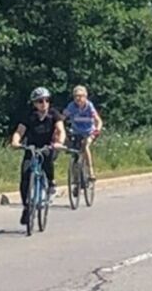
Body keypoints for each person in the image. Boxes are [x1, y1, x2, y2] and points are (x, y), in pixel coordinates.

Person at [10, 86, 66, 227]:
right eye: (40, 101)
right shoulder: (29, 116)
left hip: (47, 145)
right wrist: (15, 141)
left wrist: (59, 142)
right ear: (34, 103)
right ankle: (27, 207)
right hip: (31, 147)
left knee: (47, 161)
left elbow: (61, 130)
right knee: (25, 175)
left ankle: (51, 183)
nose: (44, 103)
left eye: (47, 100)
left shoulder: (54, 114)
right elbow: (20, 131)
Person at [63, 84, 103, 185]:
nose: (78, 98)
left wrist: (97, 130)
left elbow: (98, 120)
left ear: (85, 97)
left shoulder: (89, 106)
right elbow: (63, 117)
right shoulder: (71, 106)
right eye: (76, 96)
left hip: (89, 132)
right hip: (76, 132)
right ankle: (75, 179)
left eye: (81, 96)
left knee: (85, 146)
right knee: (74, 153)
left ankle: (91, 172)